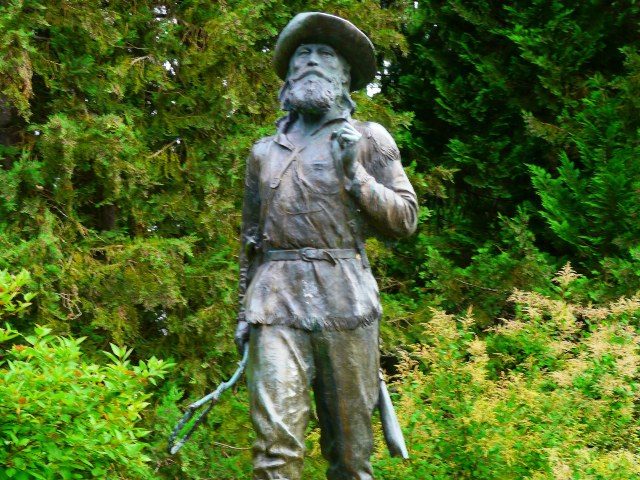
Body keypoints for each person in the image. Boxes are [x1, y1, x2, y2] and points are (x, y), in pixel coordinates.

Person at [235, 12, 417, 480]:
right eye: (302, 55)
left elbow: (405, 219)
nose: (312, 61)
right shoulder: (263, 152)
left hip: (345, 299)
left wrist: (355, 175)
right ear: (289, 74)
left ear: (345, 75)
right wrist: (243, 313)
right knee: (274, 450)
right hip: (273, 301)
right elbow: (250, 240)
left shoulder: (370, 139)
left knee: (351, 455)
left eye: (325, 55)